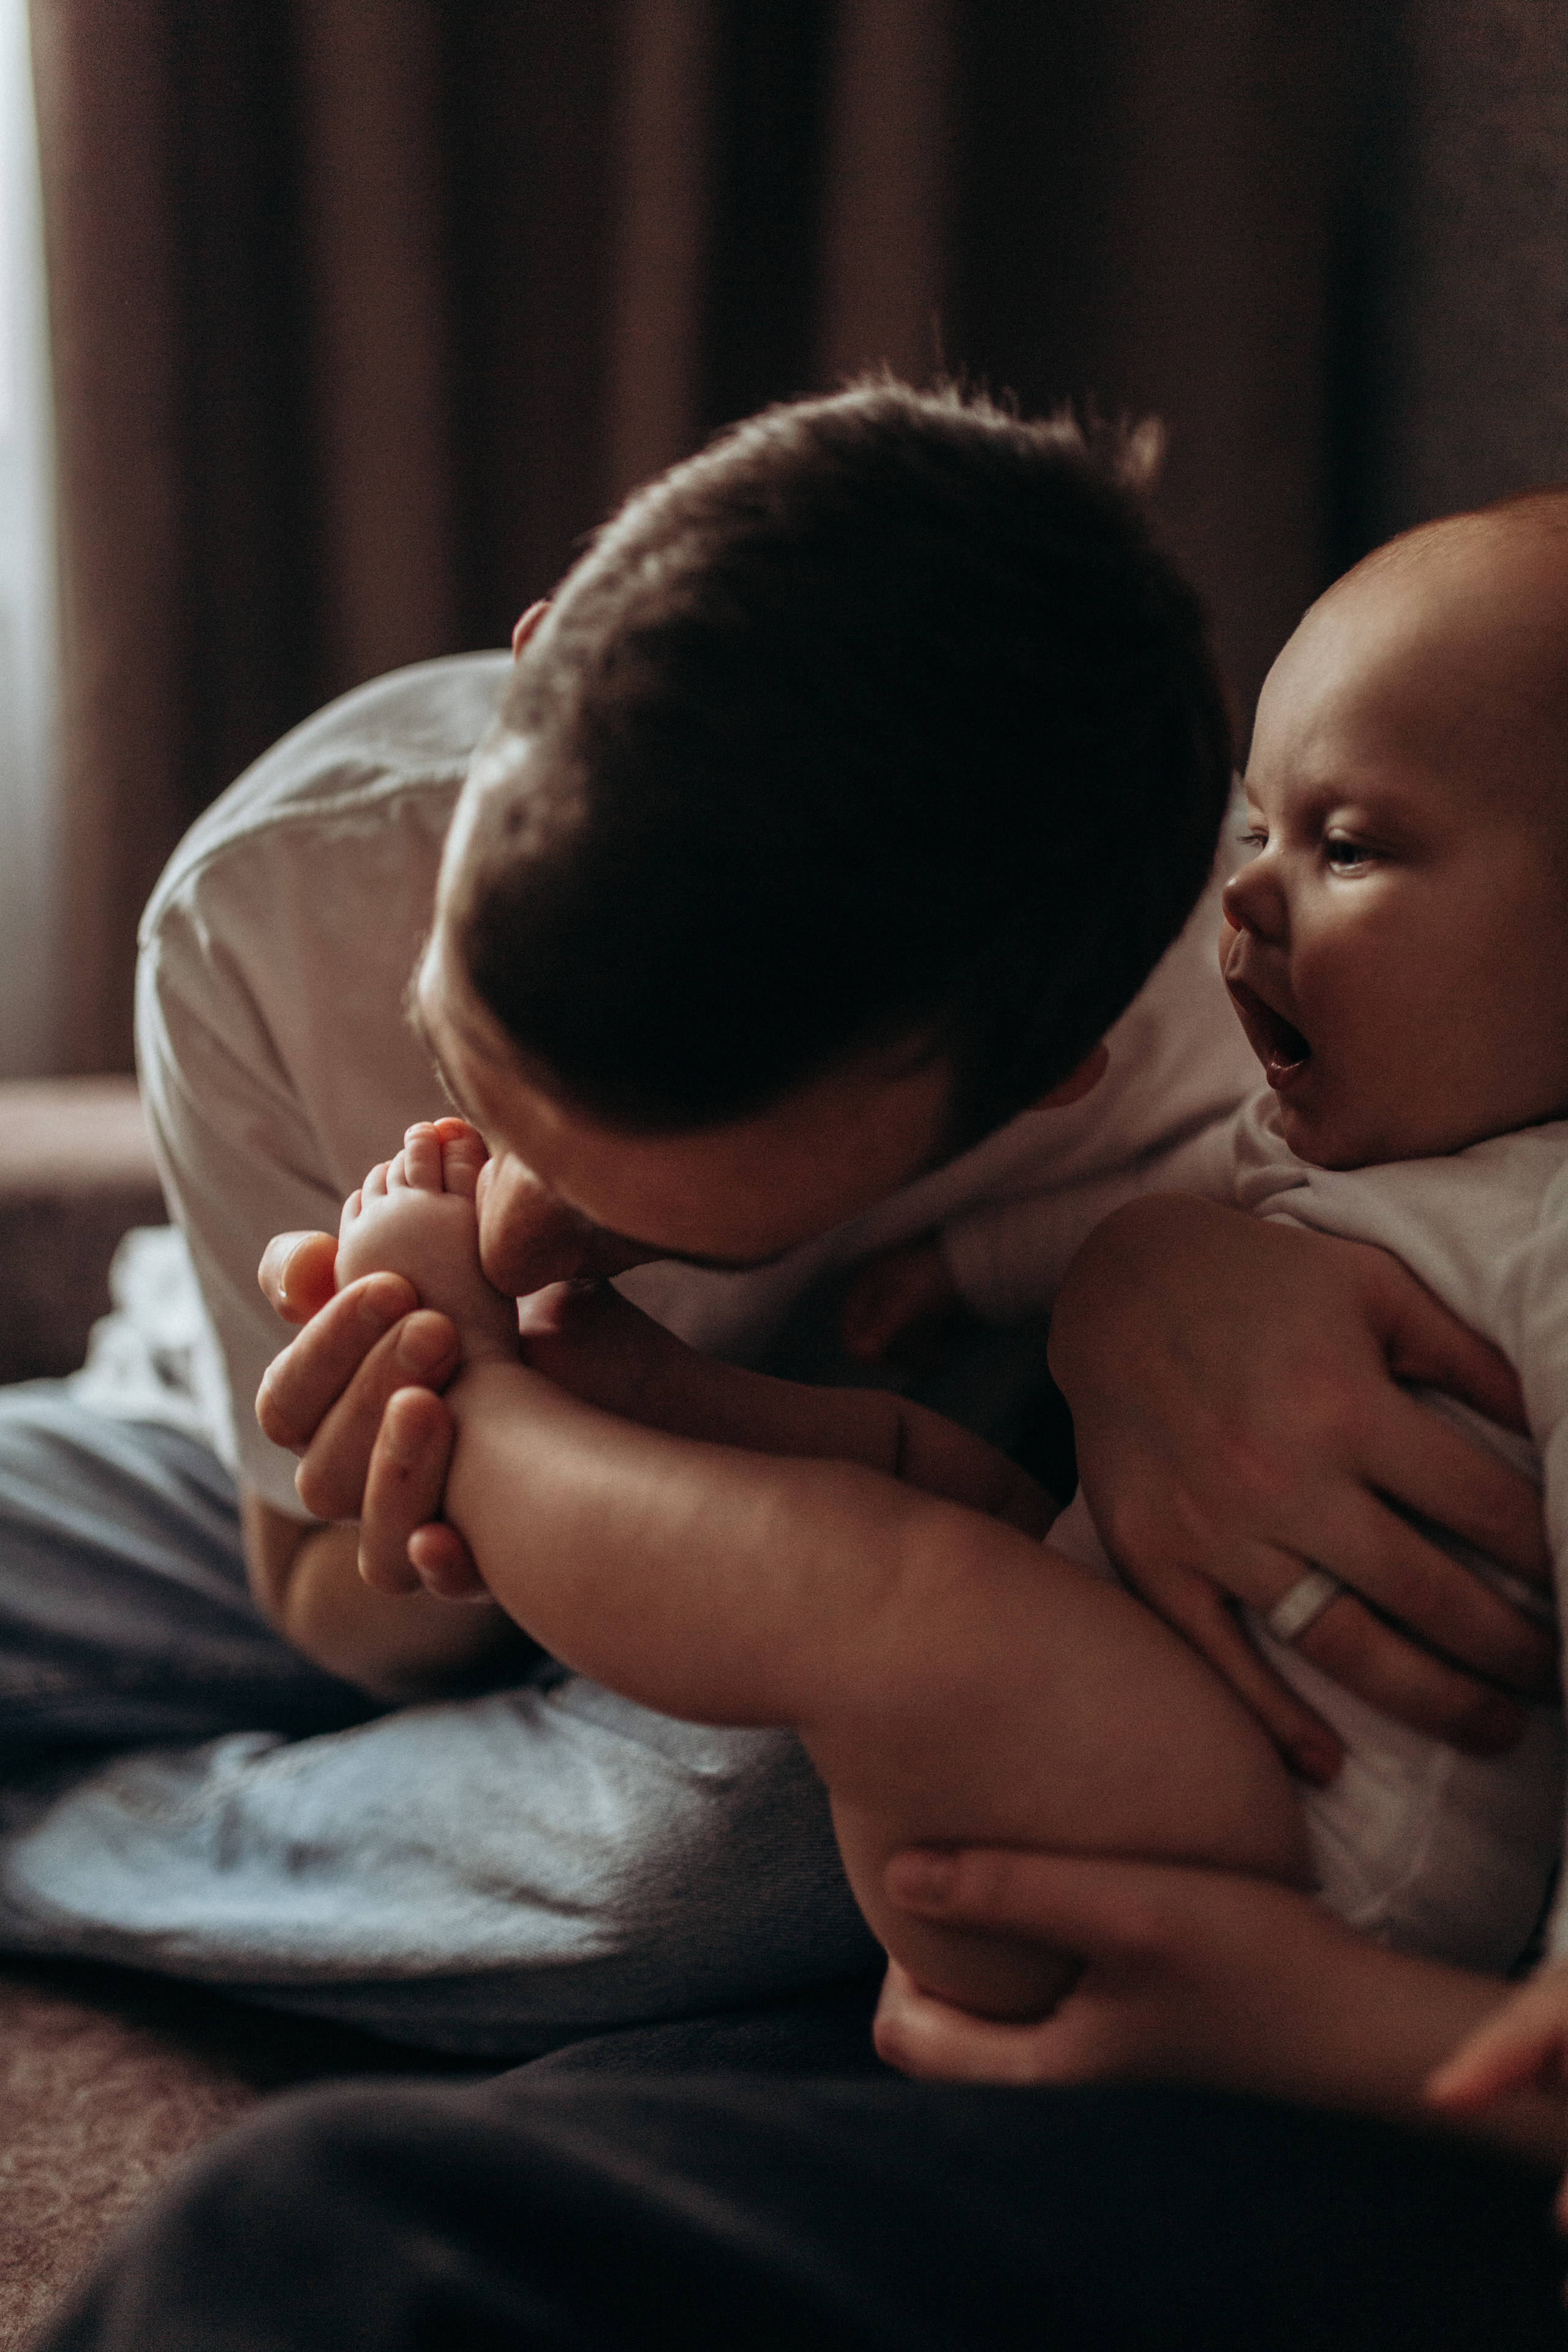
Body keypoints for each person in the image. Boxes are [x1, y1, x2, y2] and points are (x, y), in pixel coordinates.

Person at [28, 434, 1568, 2348]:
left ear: (1044, 1083)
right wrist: (475, 1416)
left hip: (730, 1618)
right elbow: (332, 1609)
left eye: (650, 1209)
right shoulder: (267, 906)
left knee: (786, 1853)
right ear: (534, 667)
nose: (517, 1212)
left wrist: (1131, 1285)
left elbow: (940, 1571)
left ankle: (75, 1839)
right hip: (259, 1476)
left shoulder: (1219, 1025)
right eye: (480, 1086)